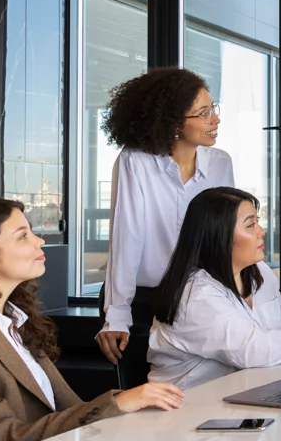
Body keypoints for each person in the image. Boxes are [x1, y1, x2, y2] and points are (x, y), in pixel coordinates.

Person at [0, 199, 184, 441]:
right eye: (23, 236)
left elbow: (70, 411)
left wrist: (127, 407)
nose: (40, 241)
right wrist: (117, 403)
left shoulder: (15, 321)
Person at [95, 68, 236, 389]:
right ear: (173, 122)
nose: (215, 119)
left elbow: (225, 237)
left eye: (214, 108)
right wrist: (117, 315)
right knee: (145, 398)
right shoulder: (135, 161)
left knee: (203, 395)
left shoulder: (221, 162)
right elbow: (125, 239)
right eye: (203, 113)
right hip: (143, 300)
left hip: (200, 300)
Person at [147, 188, 281, 390]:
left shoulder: (260, 273)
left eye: (258, 222)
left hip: (244, 395)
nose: (261, 231)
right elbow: (254, 351)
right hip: (186, 408)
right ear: (218, 235)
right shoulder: (195, 295)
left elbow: (278, 328)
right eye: (251, 225)